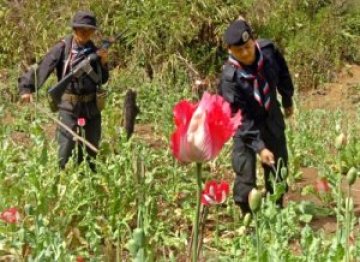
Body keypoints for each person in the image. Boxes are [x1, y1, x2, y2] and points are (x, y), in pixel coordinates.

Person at [218, 18, 294, 215]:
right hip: (245, 124)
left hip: (270, 114)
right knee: (244, 171)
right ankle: (248, 216)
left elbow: (283, 73)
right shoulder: (229, 79)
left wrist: (287, 99)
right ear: (229, 50)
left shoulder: (268, 52)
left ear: (253, 40)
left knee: (277, 164)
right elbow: (239, 117)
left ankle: (276, 209)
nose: (245, 53)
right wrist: (260, 147)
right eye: (238, 50)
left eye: (247, 46)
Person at [18, 11, 109, 170]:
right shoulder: (62, 48)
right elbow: (42, 67)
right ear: (74, 29)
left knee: (91, 148)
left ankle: (86, 184)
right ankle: (60, 182)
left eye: (89, 30)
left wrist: (103, 63)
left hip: (91, 106)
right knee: (65, 148)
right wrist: (26, 88)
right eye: (81, 29)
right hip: (69, 106)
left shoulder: (95, 51)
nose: (85, 33)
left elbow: (103, 79)